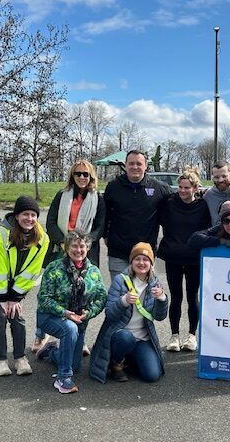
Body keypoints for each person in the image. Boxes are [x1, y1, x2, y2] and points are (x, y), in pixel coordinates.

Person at [32, 159, 105, 354]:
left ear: (91, 177)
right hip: (60, 249)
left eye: (86, 174)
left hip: (84, 250)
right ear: (72, 176)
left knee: (83, 297)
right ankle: (41, 334)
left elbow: (100, 226)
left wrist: (82, 244)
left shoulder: (98, 198)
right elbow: (52, 222)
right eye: (78, 174)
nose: (82, 177)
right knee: (48, 293)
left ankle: (79, 338)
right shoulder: (61, 196)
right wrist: (66, 244)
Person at [0, 196, 49, 377]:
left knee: (16, 316)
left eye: (33, 215)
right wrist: (3, 299)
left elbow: (32, 272)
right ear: (16, 216)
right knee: (0, 317)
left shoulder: (43, 239)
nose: (29, 219)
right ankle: (0, 360)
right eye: (25, 214)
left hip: (16, 287)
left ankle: (20, 358)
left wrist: (15, 298)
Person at [36, 230, 107, 394]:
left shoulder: (94, 272)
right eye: (74, 246)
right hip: (50, 316)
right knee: (69, 328)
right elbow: (44, 298)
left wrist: (88, 313)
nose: (78, 250)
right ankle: (63, 378)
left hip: (79, 321)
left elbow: (102, 298)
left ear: (87, 248)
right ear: (66, 248)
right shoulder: (54, 268)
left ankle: (52, 351)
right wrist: (65, 313)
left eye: (82, 246)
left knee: (75, 365)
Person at [89, 242, 168, 384]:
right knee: (126, 338)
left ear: (151, 263)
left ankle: (131, 358)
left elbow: (159, 317)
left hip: (142, 339)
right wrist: (123, 301)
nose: (141, 263)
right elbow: (110, 314)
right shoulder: (121, 280)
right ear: (131, 262)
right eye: (137, 259)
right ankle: (116, 362)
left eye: (145, 259)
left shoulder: (155, 283)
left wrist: (162, 298)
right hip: (120, 336)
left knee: (152, 375)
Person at [157, 167, 211, 352]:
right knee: (176, 297)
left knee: (192, 296)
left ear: (196, 188)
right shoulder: (169, 203)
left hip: (194, 258)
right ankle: (174, 335)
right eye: (180, 187)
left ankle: (192, 335)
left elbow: (208, 229)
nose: (182, 191)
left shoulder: (203, 206)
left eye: (187, 187)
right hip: (173, 256)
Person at [103, 150, 171, 281]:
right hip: (118, 252)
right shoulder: (113, 187)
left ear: (146, 166)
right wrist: (105, 234)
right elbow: (105, 214)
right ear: (125, 165)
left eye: (139, 164)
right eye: (131, 163)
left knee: (142, 297)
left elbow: (179, 199)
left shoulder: (159, 188)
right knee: (120, 295)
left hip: (145, 255)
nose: (135, 167)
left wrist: (201, 195)